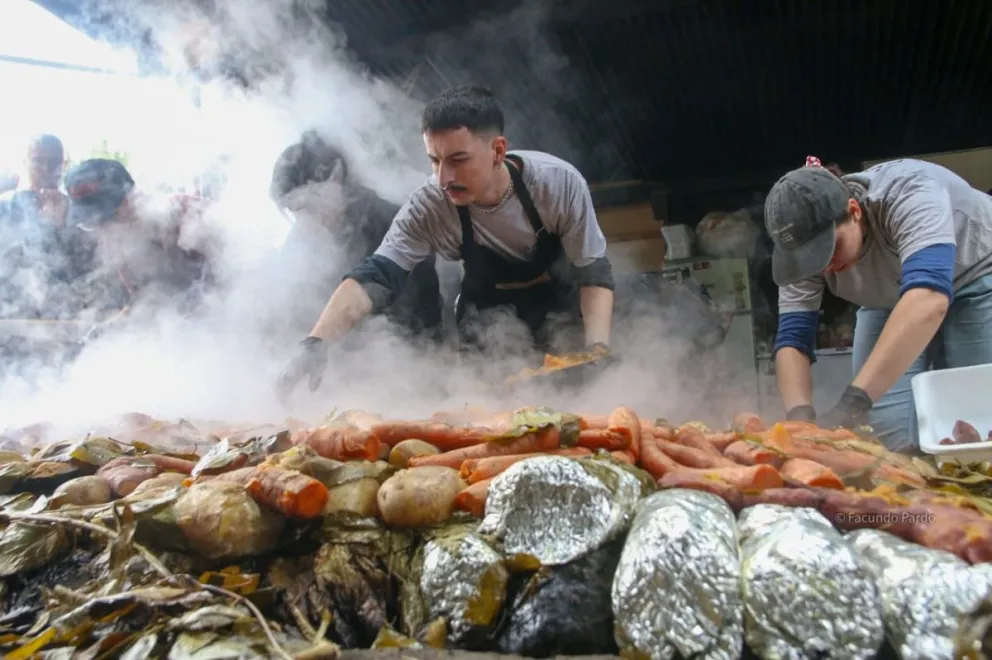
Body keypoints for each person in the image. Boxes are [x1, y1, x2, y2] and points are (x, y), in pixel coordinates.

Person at [277, 85, 616, 396]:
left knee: (578, 402)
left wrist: (597, 350)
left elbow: (592, 271)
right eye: (435, 161)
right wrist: (316, 342)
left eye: (458, 160)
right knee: (488, 412)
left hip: (558, 301)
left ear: (498, 150)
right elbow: (376, 276)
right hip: (486, 314)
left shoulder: (557, 184)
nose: (443, 178)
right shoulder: (428, 205)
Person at [768, 155, 992, 453]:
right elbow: (793, 339)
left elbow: (928, 298)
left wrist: (852, 402)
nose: (825, 267)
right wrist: (800, 418)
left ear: (854, 210)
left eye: (829, 249)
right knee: (886, 427)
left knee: (973, 415)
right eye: (810, 260)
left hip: (974, 277)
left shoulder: (908, 192)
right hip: (888, 296)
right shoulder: (803, 251)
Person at [269, 130, 443, 341]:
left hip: (402, 352)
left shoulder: (394, 224)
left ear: (336, 181)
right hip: (336, 353)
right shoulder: (303, 236)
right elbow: (294, 306)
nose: (302, 218)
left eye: (307, 204)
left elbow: (413, 316)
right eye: (292, 209)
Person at [61, 158, 217, 316]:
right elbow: (144, 300)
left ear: (129, 197)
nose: (101, 226)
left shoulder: (188, 213)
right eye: (91, 222)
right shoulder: (119, 246)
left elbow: (231, 277)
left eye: (105, 216)